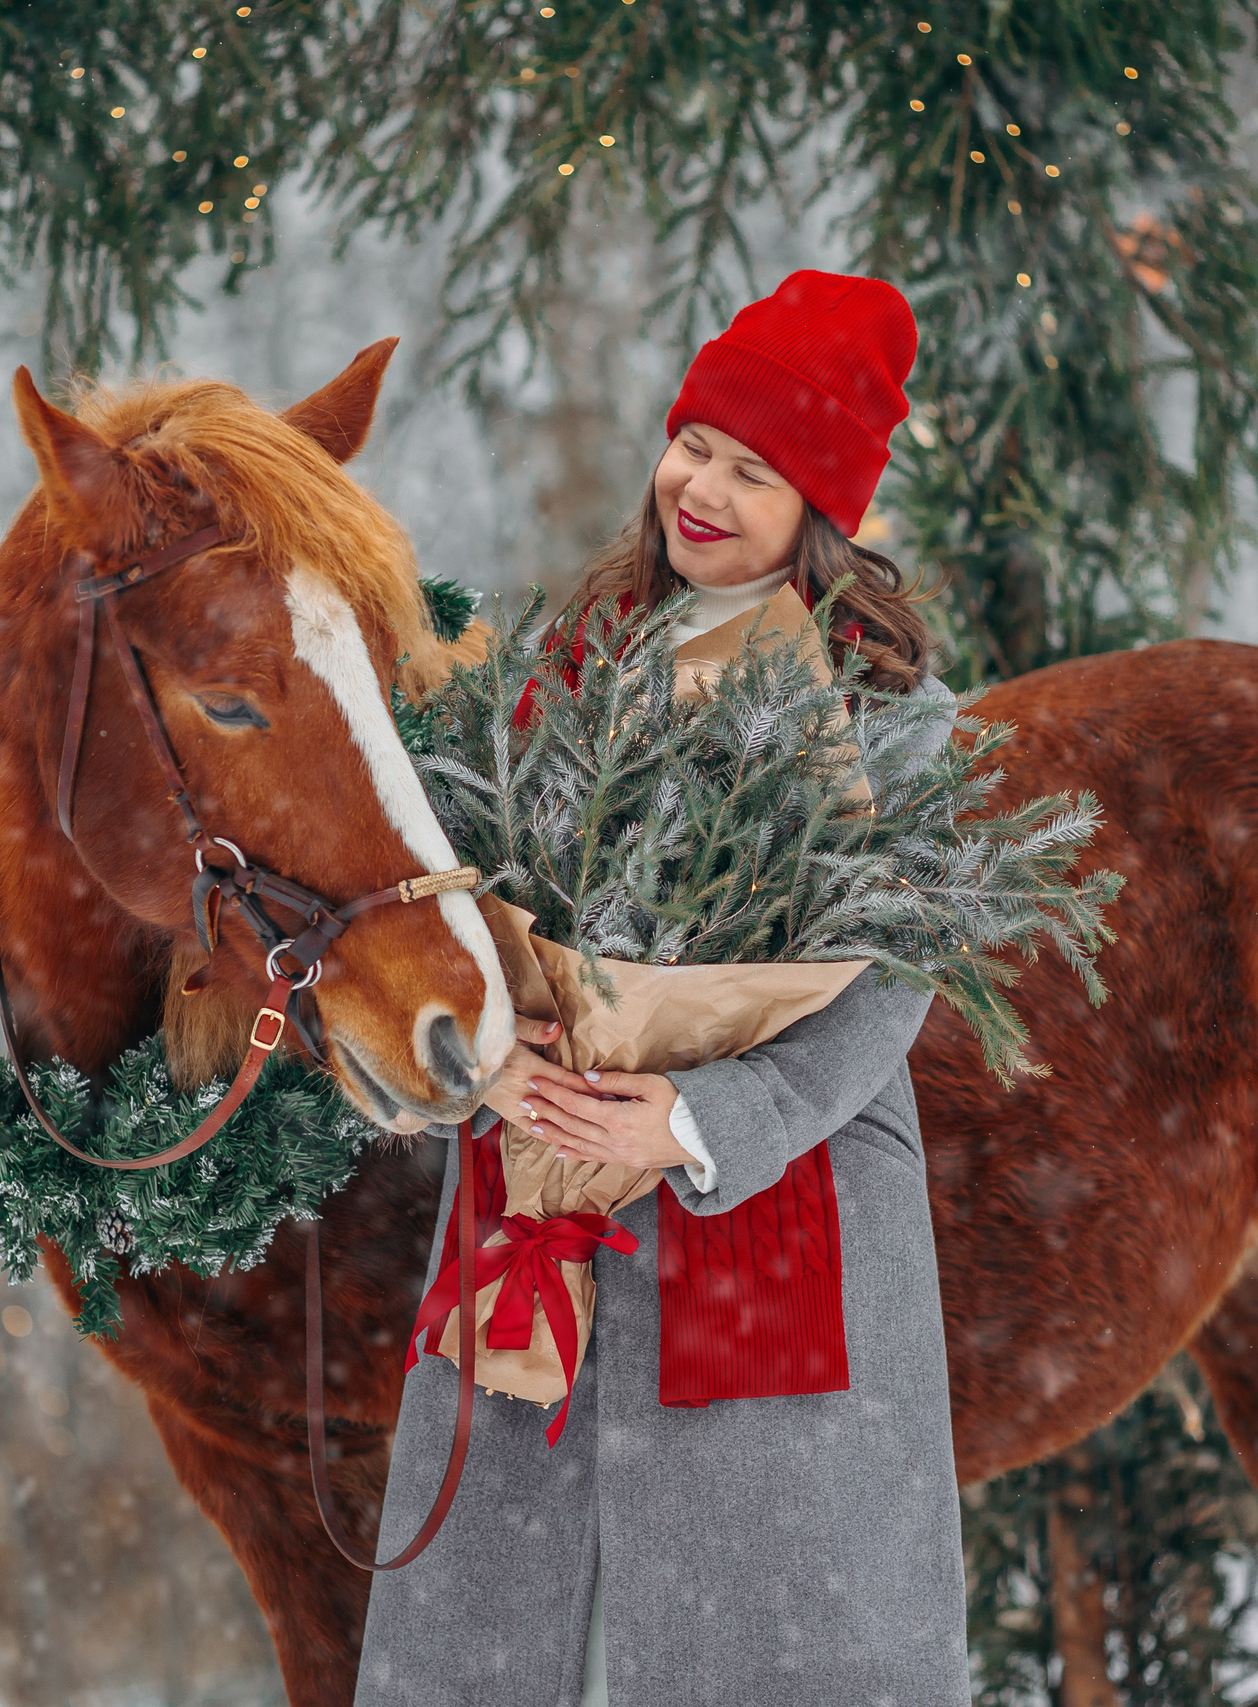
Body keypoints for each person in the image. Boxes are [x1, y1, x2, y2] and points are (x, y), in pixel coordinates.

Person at [355, 271, 970, 1707]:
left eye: (756, 472)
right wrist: (490, 1067)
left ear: (827, 514)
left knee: (761, 1633)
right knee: (499, 1630)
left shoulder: (892, 720)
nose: (702, 486)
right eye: (695, 440)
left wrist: (691, 1122)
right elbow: (455, 917)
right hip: (536, 1192)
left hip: (770, 1208)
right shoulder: (556, 674)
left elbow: (880, 1002)